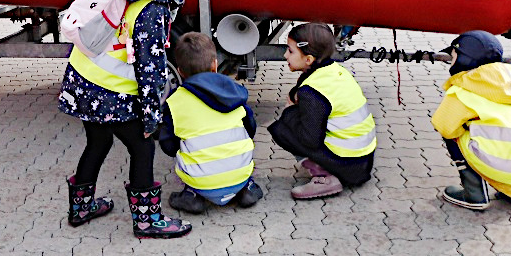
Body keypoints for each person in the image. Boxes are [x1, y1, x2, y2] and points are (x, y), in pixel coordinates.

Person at [58, 0, 191, 239]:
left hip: (81, 80)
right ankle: (147, 221)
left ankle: (81, 208)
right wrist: (151, 114)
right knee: (143, 149)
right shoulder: (152, 4)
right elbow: (150, 66)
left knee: (98, 141)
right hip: (112, 92)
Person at [431, 30, 511, 210]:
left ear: (464, 59)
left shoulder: (462, 90)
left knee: (452, 130)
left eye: (454, 55)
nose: (451, 60)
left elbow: (444, 126)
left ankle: (474, 193)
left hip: (502, 163)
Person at [158, 32, 263, 214]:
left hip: (201, 178)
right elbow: (250, 128)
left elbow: (168, 145)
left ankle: (193, 195)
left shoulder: (175, 101)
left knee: (185, 151)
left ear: (180, 71)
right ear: (215, 65)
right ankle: (244, 188)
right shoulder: (235, 92)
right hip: (241, 170)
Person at [268, 23, 376, 199]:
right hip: (363, 161)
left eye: (290, 51)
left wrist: (288, 113)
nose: (285, 55)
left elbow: (310, 140)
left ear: (308, 59)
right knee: (296, 118)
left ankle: (325, 178)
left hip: (349, 165)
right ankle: (329, 168)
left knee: (282, 129)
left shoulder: (312, 92)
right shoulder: (334, 70)